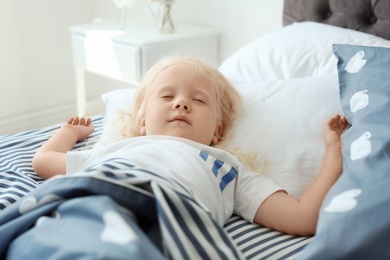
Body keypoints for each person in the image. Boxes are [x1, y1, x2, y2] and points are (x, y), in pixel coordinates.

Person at [32, 56, 348, 236]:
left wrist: (334, 152)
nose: (182, 103)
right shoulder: (119, 149)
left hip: (164, 222)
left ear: (216, 131)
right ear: (143, 120)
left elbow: (303, 218)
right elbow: (45, 161)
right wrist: (69, 133)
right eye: (167, 97)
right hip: (91, 202)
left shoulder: (226, 167)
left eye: (198, 100)